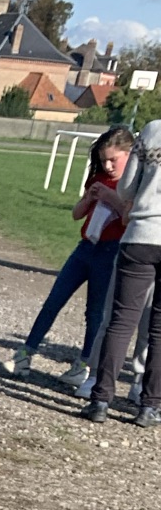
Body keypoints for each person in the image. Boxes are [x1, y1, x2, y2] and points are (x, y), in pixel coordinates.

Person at [5, 126, 134, 385]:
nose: (107, 166)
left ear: (129, 154)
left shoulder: (130, 186)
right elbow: (77, 214)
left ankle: (83, 364)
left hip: (110, 252)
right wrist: (88, 199)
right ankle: (26, 353)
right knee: (54, 300)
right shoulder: (98, 178)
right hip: (85, 248)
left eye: (113, 159)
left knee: (94, 312)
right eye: (103, 160)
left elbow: (129, 219)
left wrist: (113, 198)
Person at [86, 118, 161, 428]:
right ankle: (149, 406)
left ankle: (101, 399)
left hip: (141, 235)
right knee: (158, 329)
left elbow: (127, 186)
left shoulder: (152, 130)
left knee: (120, 321)